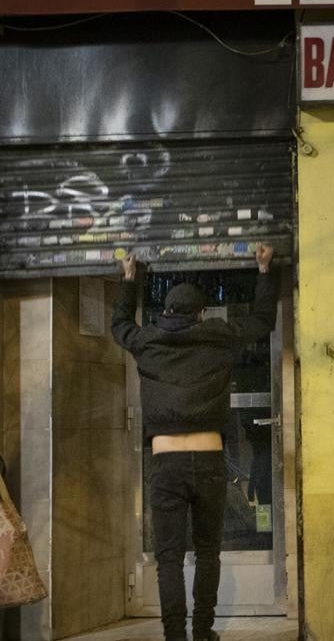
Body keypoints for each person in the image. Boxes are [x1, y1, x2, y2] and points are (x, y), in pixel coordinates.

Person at [112, 244, 277, 641]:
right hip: (208, 459)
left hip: (166, 462)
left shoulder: (147, 341)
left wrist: (130, 278)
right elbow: (262, 321)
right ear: (201, 313)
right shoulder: (217, 337)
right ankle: (203, 632)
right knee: (207, 551)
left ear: (166, 312)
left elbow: (118, 324)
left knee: (169, 556)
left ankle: (175, 636)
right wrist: (264, 270)